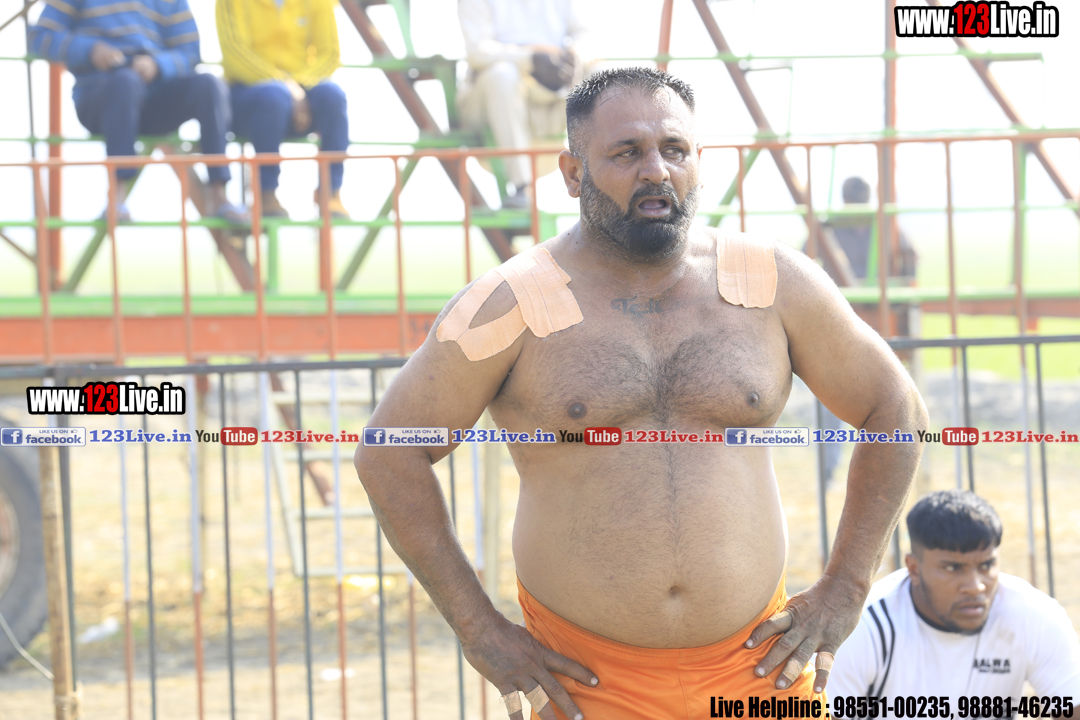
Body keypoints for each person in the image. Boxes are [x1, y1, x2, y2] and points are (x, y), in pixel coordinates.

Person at [354, 67, 927, 720]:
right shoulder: (513, 302)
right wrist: (479, 630)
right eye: (626, 152)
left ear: (698, 161)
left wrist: (846, 587)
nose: (656, 170)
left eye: (674, 149)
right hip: (586, 685)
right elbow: (389, 452)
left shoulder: (770, 281)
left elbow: (897, 410)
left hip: (761, 672)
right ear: (573, 174)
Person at [829, 489, 1080, 704]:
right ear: (914, 569)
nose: (975, 587)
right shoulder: (864, 627)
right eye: (952, 568)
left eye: (986, 565)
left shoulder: (1032, 615)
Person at [28, 0, 249, 223]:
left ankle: (218, 194)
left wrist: (158, 64)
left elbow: (191, 52)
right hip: (98, 97)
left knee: (209, 84)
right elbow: (40, 36)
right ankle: (116, 197)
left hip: (154, 98)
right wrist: (89, 49)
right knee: (125, 81)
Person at [216, 0, 349, 219]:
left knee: (333, 96)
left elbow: (331, 54)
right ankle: (265, 193)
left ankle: (331, 192)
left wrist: (299, 86)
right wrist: (286, 86)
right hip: (248, 92)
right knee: (273, 96)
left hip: (301, 88)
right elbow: (235, 53)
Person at [458, 0, 590, 208]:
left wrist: (573, 57)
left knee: (600, 75)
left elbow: (587, 35)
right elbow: (477, 51)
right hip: (492, 102)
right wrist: (531, 58)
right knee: (502, 75)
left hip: (551, 98)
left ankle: (601, 179)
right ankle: (522, 188)